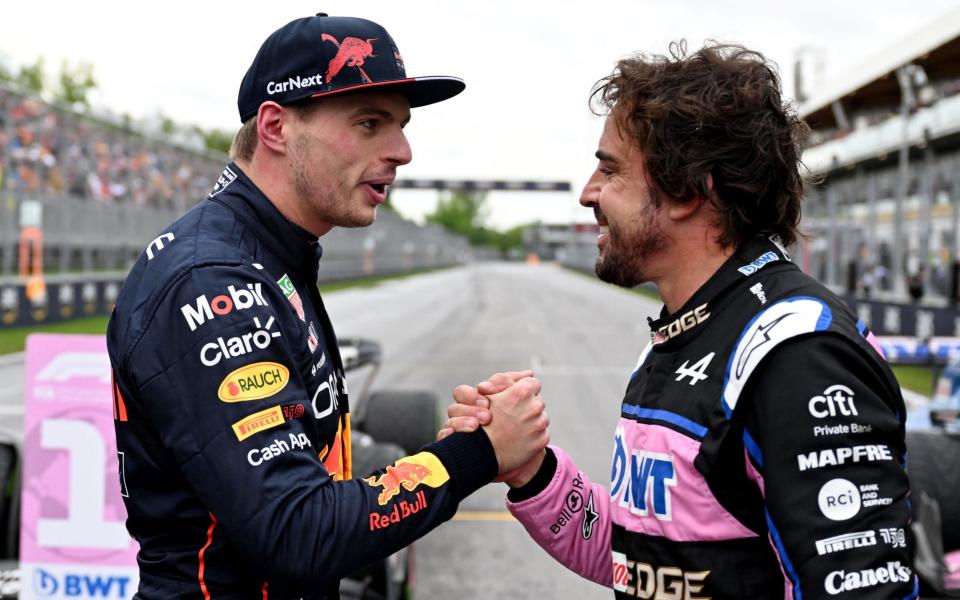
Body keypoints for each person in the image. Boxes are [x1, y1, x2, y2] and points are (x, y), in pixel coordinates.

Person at [442, 42, 916, 599]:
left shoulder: (795, 352)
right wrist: (533, 472)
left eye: (611, 171)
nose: (587, 194)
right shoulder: (687, 327)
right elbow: (645, 562)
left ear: (689, 191)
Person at [106, 14, 548, 599]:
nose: (403, 151)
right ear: (276, 126)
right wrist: (474, 454)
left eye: (401, 126)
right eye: (370, 123)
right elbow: (297, 531)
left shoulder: (268, 257)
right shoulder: (213, 281)